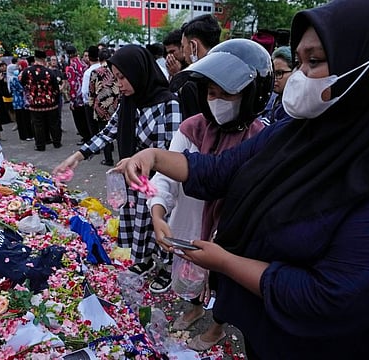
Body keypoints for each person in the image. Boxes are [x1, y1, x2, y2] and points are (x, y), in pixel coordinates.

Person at [117, 0, 369, 358]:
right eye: (297, 63)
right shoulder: (290, 134)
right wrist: (154, 157)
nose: (298, 77)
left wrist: (224, 262)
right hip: (262, 326)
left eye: (314, 62)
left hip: (316, 343)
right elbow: (219, 171)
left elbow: (329, 295)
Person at [148, 39, 269, 349]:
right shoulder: (192, 128)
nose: (216, 101)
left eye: (226, 94)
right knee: (190, 276)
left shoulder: (261, 139)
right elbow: (166, 176)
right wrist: (158, 212)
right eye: (210, 93)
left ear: (252, 95)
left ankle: (217, 327)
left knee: (224, 286)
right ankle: (194, 308)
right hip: (189, 225)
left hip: (231, 238)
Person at [53, 45, 181, 282]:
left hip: (156, 181)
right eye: (116, 78)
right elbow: (108, 132)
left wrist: (137, 159)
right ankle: (145, 260)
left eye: (123, 78)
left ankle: (166, 266)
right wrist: (77, 157)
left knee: (157, 223)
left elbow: (171, 151)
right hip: (132, 179)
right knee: (136, 222)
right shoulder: (128, 102)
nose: (119, 84)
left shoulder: (168, 104)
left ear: (139, 72)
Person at [179, 14, 221, 120]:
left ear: (193, 46)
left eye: (183, 47)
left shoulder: (192, 85)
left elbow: (193, 131)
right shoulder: (229, 73)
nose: (183, 54)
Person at [20, 49, 61, 151]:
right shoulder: (49, 72)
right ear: (44, 59)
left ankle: (40, 145)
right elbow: (56, 87)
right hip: (50, 103)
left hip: (35, 104)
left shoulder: (27, 72)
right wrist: (55, 98)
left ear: (35, 59)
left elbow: (23, 84)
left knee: (38, 125)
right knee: (54, 124)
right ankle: (56, 142)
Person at [87, 48, 119, 166]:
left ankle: (108, 159)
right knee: (119, 132)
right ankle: (122, 158)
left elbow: (91, 90)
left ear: (99, 59)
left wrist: (91, 105)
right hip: (116, 105)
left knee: (103, 132)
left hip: (101, 107)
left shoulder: (95, 72)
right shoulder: (116, 69)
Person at [259, 46, 293, 126]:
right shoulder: (274, 97)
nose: (274, 79)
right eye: (273, 73)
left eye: (279, 73)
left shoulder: (292, 108)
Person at [66, 45, 91, 145]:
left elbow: (72, 84)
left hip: (77, 98)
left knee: (79, 120)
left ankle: (85, 137)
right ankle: (89, 135)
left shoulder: (71, 66)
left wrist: (72, 100)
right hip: (86, 96)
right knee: (86, 118)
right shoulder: (83, 64)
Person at [82, 45, 101, 137]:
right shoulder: (106, 70)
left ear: (89, 57)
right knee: (104, 126)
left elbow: (85, 92)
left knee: (93, 127)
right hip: (104, 101)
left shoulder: (88, 72)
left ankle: (95, 147)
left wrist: (87, 101)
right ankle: (108, 146)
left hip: (91, 103)